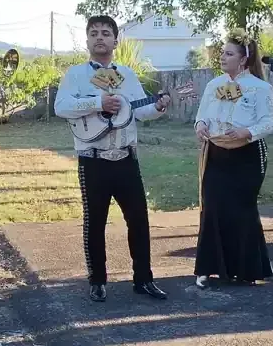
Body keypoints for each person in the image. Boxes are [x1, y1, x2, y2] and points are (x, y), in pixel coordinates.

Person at [54, 15, 182, 302]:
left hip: (126, 157)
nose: (100, 37)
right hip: (93, 158)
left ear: (115, 40)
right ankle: (97, 280)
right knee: (95, 222)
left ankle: (144, 279)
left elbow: (139, 110)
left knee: (139, 220)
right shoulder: (75, 75)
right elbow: (61, 107)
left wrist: (159, 107)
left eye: (105, 33)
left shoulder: (127, 75)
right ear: (87, 40)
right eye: (94, 33)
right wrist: (97, 102)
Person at [192, 30, 273, 289]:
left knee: (242, 210)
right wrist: (200, 125)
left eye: (229, 53)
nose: (222, 57)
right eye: (222, 53)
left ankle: (246, 269)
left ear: (244, 60)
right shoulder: (213, 85)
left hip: (247, 156)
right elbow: (202, 115)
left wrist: (246, 132)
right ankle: (207, 269)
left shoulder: (260, 88)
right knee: (213, 208)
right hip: (217, 153)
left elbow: (270, 123)